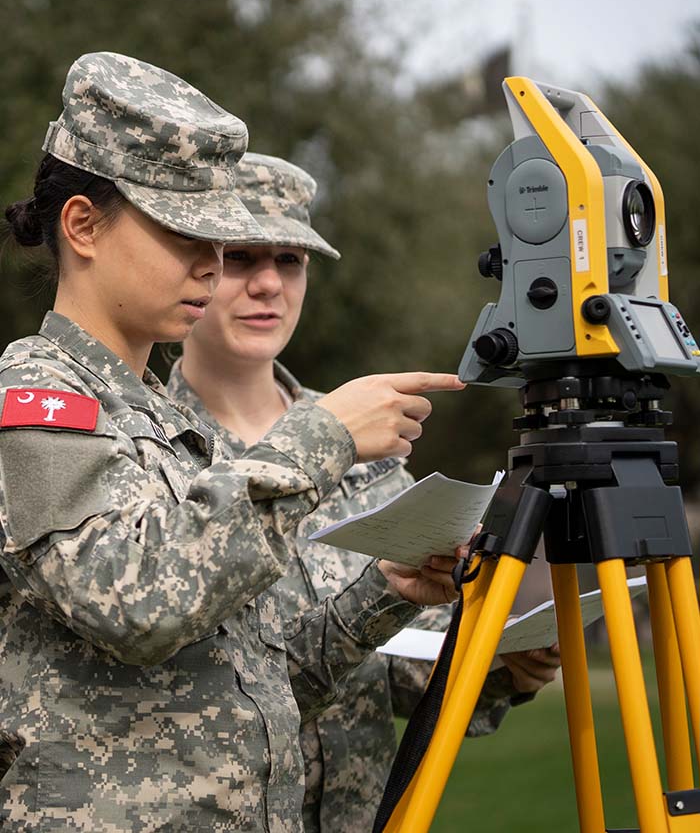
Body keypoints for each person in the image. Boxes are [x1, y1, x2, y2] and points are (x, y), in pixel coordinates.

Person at [0, 52, 467, 832]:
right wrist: (320, 439)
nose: (212, 268)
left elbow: (254, 679)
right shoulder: (39, 395)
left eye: (221, 243)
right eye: (186, 233)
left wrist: (384, 592)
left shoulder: (158, 415)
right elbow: (135, 604)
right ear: (82, 225)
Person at [168, 152, 562, 833]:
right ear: (194, 263)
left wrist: (503, 668)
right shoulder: (153, 449)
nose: (268, 284)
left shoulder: (369, 443)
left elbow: (395, 665)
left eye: (290, 260)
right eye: (241, 258)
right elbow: (180, 694)